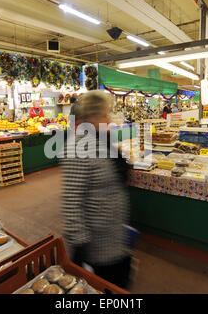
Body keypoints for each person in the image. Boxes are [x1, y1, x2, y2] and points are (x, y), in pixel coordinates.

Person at [60, 91, 132, 289]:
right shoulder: (78, 148)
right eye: (104, 114)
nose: (108, 119)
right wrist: (80, 244)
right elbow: (71, 200)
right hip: (96, 244)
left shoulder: (101, 140)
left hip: (114, 235)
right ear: (88, 118)